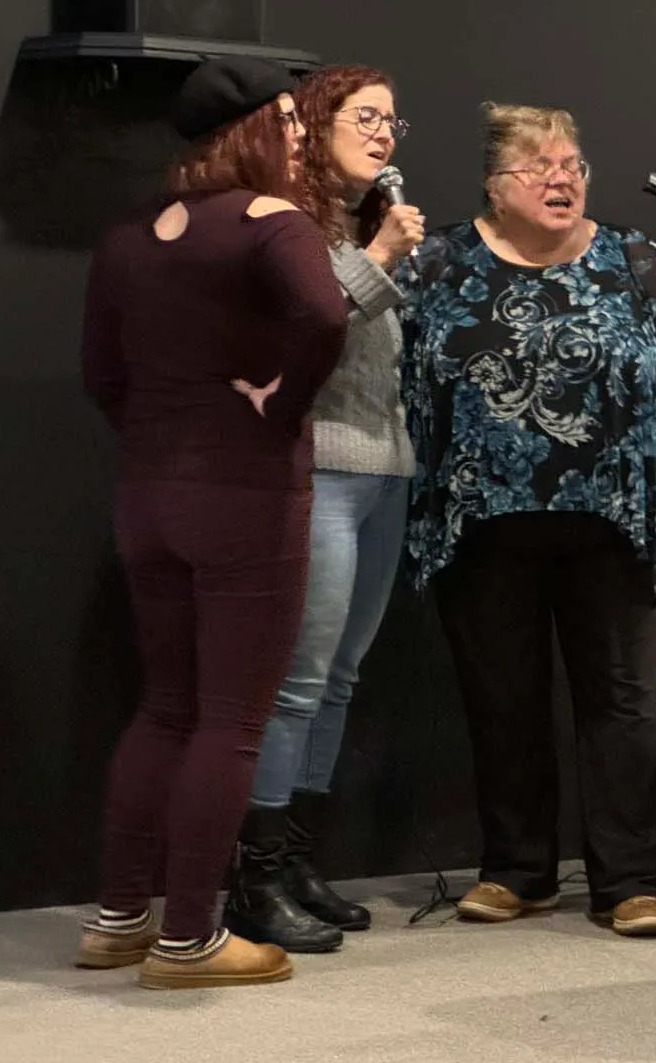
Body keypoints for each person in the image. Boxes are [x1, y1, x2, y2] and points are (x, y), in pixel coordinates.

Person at [399, 102, 656, 937]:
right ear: (493, 184)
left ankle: (630, 881)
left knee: (619, 703)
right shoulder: (437, 260)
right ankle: (516, 872)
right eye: (539, 168)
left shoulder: (638, 256)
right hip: (481, 519)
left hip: (614, 518)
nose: (561, 181)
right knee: (503, 701)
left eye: (572, 166)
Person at [77, 58, 348, 988]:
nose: (308, 137)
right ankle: (189, 937)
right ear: (265, 126)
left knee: (165, 708)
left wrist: (164, 438)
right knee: (231, 723)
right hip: (246, 496)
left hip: (147, 493)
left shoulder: (126, 241)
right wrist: (277, 406)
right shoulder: (274, 225)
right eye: (297, 122)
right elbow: (324, 314)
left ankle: (119, 920)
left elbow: (101, 377)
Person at [222, 65, 426, 952]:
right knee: (296, 682)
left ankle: (298, 858)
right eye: (366, 117)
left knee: (339, 680)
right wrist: (380, 260)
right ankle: (253, 877)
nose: (384, 134)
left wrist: (380, 248)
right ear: (315, 120)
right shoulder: (282, 222)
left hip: (386, 471)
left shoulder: (358, 221)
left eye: (393, 121)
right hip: (317, 471)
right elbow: (303, 329)